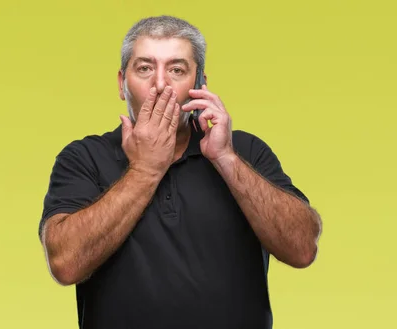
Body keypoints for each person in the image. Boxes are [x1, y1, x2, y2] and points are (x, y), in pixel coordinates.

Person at [38, 15, 322, 329]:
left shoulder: (245, 151)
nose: (160, 84)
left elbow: (302, 248)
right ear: (122, 83)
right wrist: (145, 170)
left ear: (200, 85)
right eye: (145, 68)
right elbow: (65, 265)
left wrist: (226, 158)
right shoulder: (84, 158)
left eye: (177, 70)